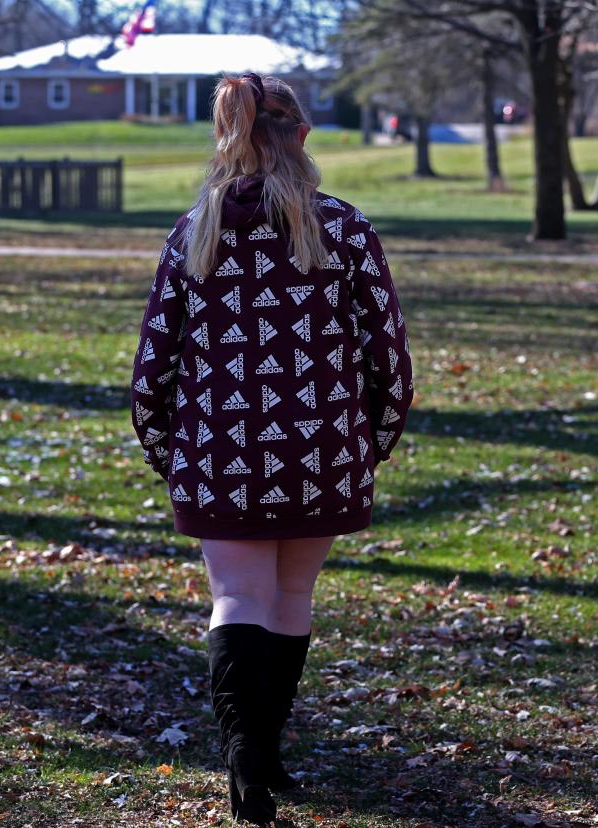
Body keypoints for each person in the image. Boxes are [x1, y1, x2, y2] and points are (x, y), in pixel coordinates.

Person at [128, 72, 414, 824]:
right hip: (323, 447)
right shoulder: (343, 229)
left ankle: (249, 763)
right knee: (290, 598)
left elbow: (154, 365)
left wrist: (173, 455)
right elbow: (388, 354)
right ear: (300, 137)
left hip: (217, 451)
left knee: (237, 599)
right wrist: (369, 444)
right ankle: (264, 753)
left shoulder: (194, 233)